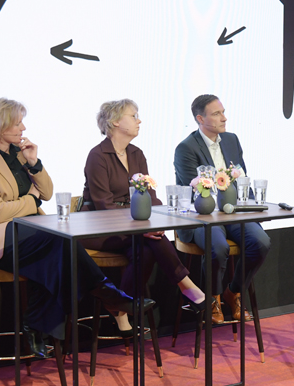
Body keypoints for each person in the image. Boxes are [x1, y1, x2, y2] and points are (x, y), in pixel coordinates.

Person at [0, 98, 151, 353]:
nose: (23, 128)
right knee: (55, 243)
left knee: (55, 253)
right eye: (17, 123)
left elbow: (47, 192)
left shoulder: (19, 154)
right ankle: (106, 293)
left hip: (26, 231)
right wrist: (31, 199)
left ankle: (38, 326)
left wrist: (34, 163)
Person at [82, 99, 205, 332]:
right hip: (98, 227)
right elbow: (103, 205)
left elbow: (150, 195)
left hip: (131, 228)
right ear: (116, 121)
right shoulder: (97, 155)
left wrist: (159, 219)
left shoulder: (136, 153)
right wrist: (143, 226)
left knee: (146, 247)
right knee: (148, 240)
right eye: (133, 115)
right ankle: (186, 284)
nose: (139, 120)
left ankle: (119, 309)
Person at [174, 94, 272, 324]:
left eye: (223, 112)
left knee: (261, 242)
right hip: (203, 215)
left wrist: (250, 208)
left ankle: (234, 291)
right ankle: (213, 298)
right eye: (217, 114)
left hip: (233, 211)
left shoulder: (231, 140)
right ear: (200, 118)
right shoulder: (186, 148)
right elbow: (199, 191)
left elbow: (242, 176)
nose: (224, 118)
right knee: (217, 247)